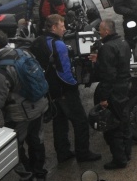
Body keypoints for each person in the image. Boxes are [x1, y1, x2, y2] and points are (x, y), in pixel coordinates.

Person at [0, 30, 48, 181]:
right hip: (38, 105)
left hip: (19, 114)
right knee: (37, 141)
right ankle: (40, 176)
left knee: (13, 148)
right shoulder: (23, 52)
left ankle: (28, 179)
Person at [29, 14, 100, 164]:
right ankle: (83, 153)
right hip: (64, 90)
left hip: (50, 90)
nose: (65, 29)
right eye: (62, 26)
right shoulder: (58, 45)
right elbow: (64, 71)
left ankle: (63, 152)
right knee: (80, 121)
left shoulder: (39, 41)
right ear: (54, 27)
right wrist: (74, 84)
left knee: (60, 122)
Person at [89, 19, 132, 169]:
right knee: (124, 122)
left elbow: (108, 76)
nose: (98, 32)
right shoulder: (123, 42)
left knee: (113, 127)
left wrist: (103, 98)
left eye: (100, 29)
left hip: (113, 91)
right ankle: (127, 153)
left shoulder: (106, 48)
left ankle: (119, 160)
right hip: (124, 88)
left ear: (107, 31)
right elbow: (119, 65)